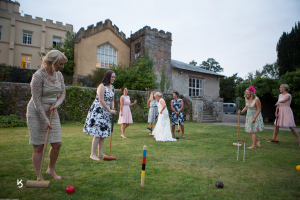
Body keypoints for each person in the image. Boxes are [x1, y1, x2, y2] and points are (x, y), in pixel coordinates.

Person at [27, 50, 67, 180]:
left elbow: (63, 94)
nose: (62, 66)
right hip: (37, 112)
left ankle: (50, 169)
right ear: (53, 62)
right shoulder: (38, 76)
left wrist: (56, 104)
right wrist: (45, 120)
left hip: (52, 111)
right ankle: (39, 176)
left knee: (57, 143)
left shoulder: (59, 75)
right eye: (60, 64)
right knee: (39, 146)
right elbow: (36, 99)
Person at [83, 70, 117, 161]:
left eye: (114, 77)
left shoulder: (112, 87)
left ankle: (100, 153)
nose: (113, 78)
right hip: (99, 111)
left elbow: (112, 100)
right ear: (108, 77)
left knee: (103, 133)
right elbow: (101, 101)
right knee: (98, 133)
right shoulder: (102, 86)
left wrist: (112, 110)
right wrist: (109, 110)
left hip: (106, 112)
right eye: (112, 77)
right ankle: (92, 154)